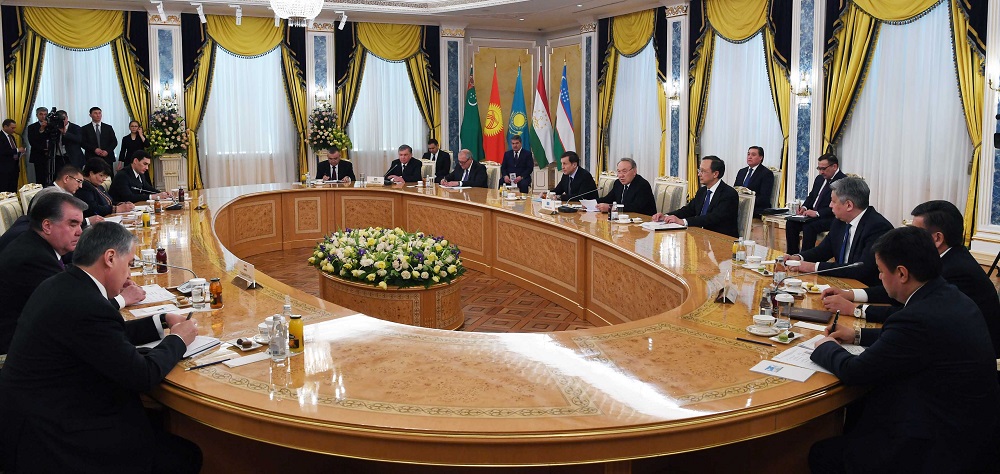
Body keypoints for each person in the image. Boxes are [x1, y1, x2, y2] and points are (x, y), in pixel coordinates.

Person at [0, 222, 203, 473]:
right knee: (185, 455)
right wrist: (179, 340)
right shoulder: (87, 304)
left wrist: (161, 321)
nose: (129, 275)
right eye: (128, 264)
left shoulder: (63, 284)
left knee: (153, 419)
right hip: (54, 436)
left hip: (38, 412)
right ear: (110, 258)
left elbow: (104, 336)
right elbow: (143, 375)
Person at [808, 226, 1000, 473]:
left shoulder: (916, 317)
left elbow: (854, 371)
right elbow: (911, 342)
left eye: (881, 271)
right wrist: (856, 335)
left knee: (822, 453)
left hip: (940, 443)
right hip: (972, 424)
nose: (879, 277)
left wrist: (826, 346)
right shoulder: (946, 294)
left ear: (901, 273)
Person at [820, 200, 1000, 359]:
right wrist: (851, 294)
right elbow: (898, 290)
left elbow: (908, 315)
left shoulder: (955, 270)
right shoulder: (947, 258)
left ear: (937, 238)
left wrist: (856, 310)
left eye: (915, 231)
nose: (909, 237)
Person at [0, 193, 141, 353]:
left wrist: (109, 281)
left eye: (80, 225)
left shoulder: (36, 244)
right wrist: (121, 299)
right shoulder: (33, 258)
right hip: (14, 349)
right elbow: (77, 312)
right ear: (47, 226)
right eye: (73, 224)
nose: (80, 232)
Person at [785, 177, 892, 286]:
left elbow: (861, 269)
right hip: (840, 282)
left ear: (849, 205)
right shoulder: (840, 221)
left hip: (863, 287)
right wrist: (798, 257)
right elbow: (823, 250)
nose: (830, 205)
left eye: (833, 201)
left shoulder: (878, 227)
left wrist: (813, 267)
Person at [653, 155, 739, 237]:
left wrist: (683, 221)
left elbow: (713, 218)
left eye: (703, 171)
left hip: (721, 239)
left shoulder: (729, 194)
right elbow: (688, 210)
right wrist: (666, 216)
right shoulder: (702, 191)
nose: (699, 174)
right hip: (700, 236)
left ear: (715, 174)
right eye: (699, 170)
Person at [786, 153, 845, 254]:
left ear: (834, 166)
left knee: (809, 227)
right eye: (819, 168)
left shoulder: (843, 181)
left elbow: (839, 206)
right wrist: (804, 207)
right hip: (812, 215)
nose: (821, 172)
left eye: (824, 169)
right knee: (791, 223)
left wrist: (817, 213)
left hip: (830, 217)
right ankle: (792, 255)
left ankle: (805, 256)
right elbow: (812, 196)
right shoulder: (819, 178)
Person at [732, 146, 774, 216]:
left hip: (756, 209)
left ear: (760, 158)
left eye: (753, 155)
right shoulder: (741, 171)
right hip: (739, 207)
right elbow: (736, 190)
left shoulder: (766, 173)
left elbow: (764, 198)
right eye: (748, 154)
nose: (749, 157)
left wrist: (746, 203)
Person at [25, 107, 51, 185]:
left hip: (52, 155)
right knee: (40, 177)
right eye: (41, 114)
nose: (43, 116)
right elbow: (32, 141)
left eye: (45, 114)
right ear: (37, 115)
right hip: (38, 155)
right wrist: (42, 128)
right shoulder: (32, 127)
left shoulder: (51, 126)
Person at [0, 118, 25, 192]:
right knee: (5, 189)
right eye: (12, 128)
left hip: (14, 167)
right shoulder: (0, 137)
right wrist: (17, 150)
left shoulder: (12, 137)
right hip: (4, 169)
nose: (14, 130)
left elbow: (12, 151)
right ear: (5, 127)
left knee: (13, 188)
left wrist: (20, 153)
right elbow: (2, 151)